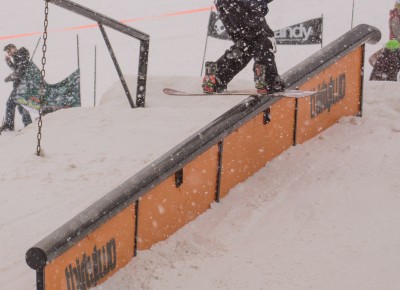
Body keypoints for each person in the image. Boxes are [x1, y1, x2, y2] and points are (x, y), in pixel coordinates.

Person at [202, 0, 285, 94]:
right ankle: (268, 80)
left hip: (225, 7)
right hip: (243, 4)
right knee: (263, 39)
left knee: (245, 45)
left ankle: (216, 76)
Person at [2, 43, 32, 131]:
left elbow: (21, 70)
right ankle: (27, 125)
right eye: (7, 52)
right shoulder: (18, 57)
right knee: (19, 105)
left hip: (22, 86)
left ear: (14, 48)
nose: (9, 54)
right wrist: (9, 63)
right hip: (20, 85)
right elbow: (17, 69)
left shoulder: (21, 54)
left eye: (9, 51)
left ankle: (10, 125)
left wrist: (11, 77)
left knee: (12, 104)